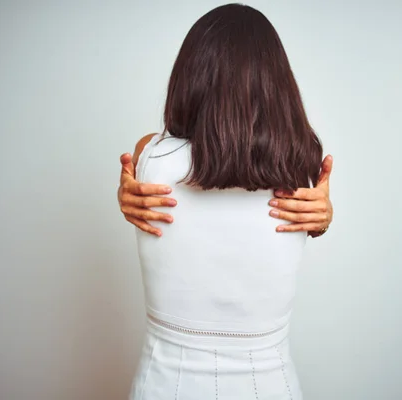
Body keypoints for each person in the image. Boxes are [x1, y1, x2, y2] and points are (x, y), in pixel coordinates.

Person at [121, 4, 333, 399]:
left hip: (165, 386)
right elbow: (309, 221)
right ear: (276, 83)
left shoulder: (148, 158)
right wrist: (325, 219)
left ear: (191, 75)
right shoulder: (302, 167)